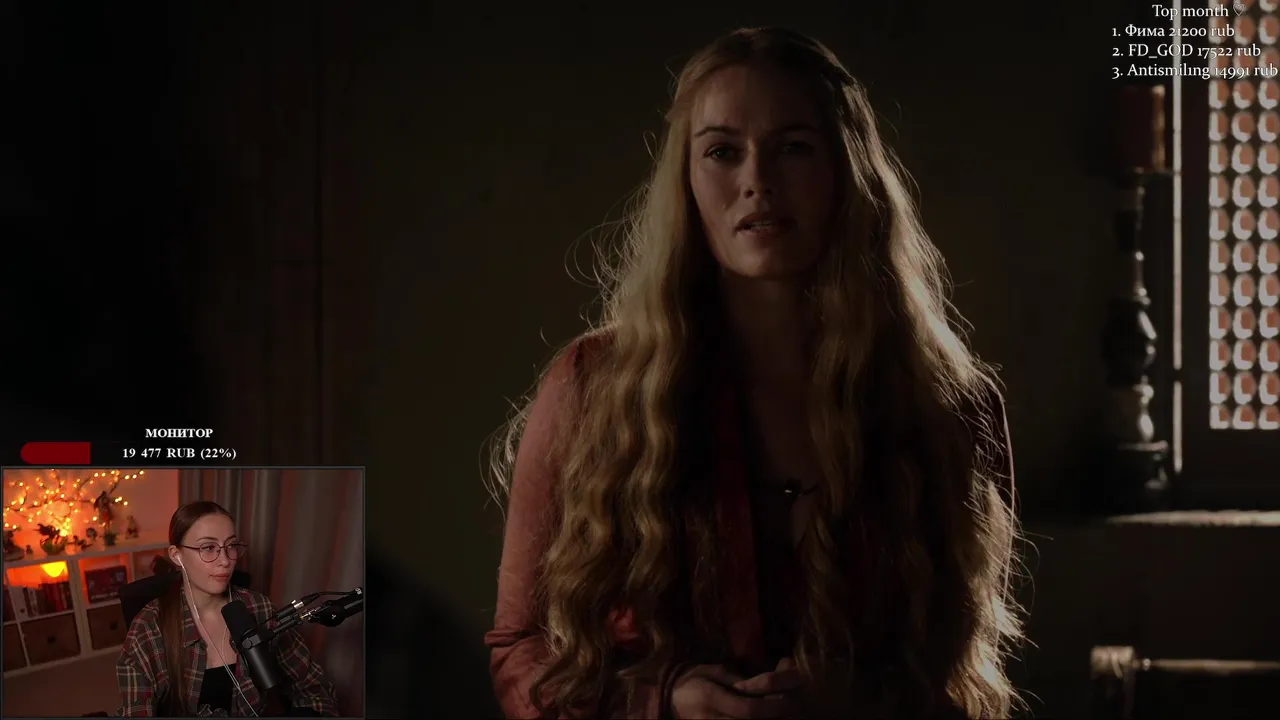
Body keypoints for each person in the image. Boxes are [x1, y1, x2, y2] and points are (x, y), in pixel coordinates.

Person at [484, 26, 1024, 720]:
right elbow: (519, 649)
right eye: (722, 151)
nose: (757, 181)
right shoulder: (596, 387)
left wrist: (854, 701)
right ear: (686, 180)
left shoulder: (947, 407)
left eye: (793, 147)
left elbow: (963, 675)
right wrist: (662, 702)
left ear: (847, 171)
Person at [116, 501, 339, 717]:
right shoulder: (148, 627)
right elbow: (136, 709)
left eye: (231, 546)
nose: (225, 561)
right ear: (177, 556)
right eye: (208, 548)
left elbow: (313, 687)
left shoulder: (259, 608)